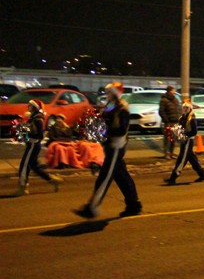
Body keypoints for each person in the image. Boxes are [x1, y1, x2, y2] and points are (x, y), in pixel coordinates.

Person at [74, 82, 142, 218]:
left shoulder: (122, 107)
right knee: (121, 176)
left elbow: (121, 129)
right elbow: (104, 119)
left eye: (109, 92)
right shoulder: (111, 105)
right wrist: (94, 126)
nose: (107, 95)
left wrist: (105, 132)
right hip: (110, 145)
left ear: (115, 93)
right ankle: (133, 204)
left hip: (116, 146)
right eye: (107, 92)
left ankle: (92, 207)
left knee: (104, 177)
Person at [13, 99, 63, 196]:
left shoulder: (38, 118)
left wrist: (26, 131)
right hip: (33, 145)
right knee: (35, 166)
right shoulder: (34, 117)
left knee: (24, 166)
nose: (28, 107)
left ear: (35, 107)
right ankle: (53, 180)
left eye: (30, 105)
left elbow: (40, 134)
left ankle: (22, 187)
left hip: (33, 145)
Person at [164, 100, 204, 185]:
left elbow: (194, 131)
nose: (184, 109)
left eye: (186, 108)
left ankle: (173, 177)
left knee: (182, 159)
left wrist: (184, 134)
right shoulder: (182, 117)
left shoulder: (191, 118)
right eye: (183, 107)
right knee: (192, 159)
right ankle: (202, 175)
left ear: (190, 108)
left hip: (188, 140)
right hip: (184, 140)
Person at [159, 86, 181, 158]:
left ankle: (171, 153)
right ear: (170, 91)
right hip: (168, 122)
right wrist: (166, 120)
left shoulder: (175, 99)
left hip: (175, 121)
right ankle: (167, 153)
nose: (174, 91)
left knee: (173, 138)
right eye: (173, 90)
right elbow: (161, 111)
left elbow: (178, 109)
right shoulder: (164, 100)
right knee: (168, 138)